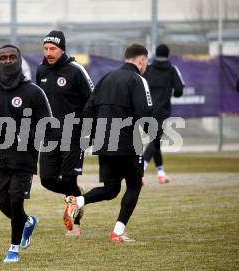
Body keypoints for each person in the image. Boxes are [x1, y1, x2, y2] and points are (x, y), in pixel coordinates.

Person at [64, 44, 153, 243]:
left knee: (111, 189)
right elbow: (145, 114)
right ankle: (118, 233)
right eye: (146, 62)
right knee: (135, 184)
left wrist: (95, 136)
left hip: (104, 142)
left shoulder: (106, 78)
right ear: (141, 61)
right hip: (127, 142)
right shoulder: (138, 79)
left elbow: (88, 110)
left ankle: (77, 201)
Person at [0, 45, 52, 263]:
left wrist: (24, 134)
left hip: (24, 157)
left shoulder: (34, 92)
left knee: (15, 202)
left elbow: (47, 126)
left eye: (12, 57)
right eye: (4, 57)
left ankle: (13, 249)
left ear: (19, 61)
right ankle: (28, 222)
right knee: (3, 203)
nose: (8, 60)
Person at [35, 30, 94, 236]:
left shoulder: (76, 70)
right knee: (47, 180)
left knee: (69, 179)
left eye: (53, 49)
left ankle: (75, 226)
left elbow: (92, 101)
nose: (48, 53)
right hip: (49, 136)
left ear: (62, 50)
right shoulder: (41, 71)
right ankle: (79, 196)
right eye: (46, 49)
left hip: (74, 134)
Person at [143, 44, 184, 184]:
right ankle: (139, 171)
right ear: (168, 55)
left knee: (155, 142)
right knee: (154, 142)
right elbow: (179, 90)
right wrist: (168, 92)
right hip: (163, 112)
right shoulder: (172, 69)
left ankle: (161, 173)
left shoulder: (147, 68)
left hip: (146, 111)